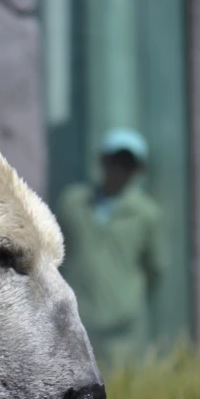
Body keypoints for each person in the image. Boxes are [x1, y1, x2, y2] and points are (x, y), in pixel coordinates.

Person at [55, 128, 166, 368]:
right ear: (102, 161)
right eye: (115, 160)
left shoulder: (147, 215)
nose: (120, 170)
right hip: (73, 326)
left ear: (139, 170)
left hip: (123, 333)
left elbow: (155, 270)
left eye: (128, 164)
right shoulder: (72, 204)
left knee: (123, 395)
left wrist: (126, 300)